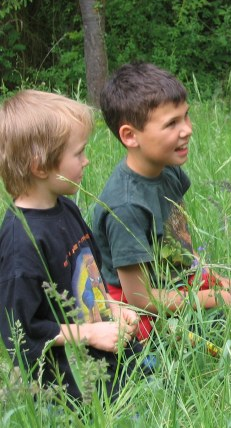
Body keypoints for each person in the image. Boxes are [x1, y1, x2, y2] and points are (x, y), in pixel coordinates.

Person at [0, 90, 140, 399]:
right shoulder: (20, 242)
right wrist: (89, 333)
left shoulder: (65, 206)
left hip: (105, 350)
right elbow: (19, 331)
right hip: (70, 383)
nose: (86, 160)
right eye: (78, 153)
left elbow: (87, 276)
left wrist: (113, 308)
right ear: (40, 167)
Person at [92, 62, 231, 341]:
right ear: (130, 136)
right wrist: (210, 298)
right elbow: (139, 297)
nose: (187, 130)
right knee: (202, 334)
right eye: (172, 123)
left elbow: (179, 239)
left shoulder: (167, 168)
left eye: (186, 117)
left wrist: (212, 279)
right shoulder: (126, 206)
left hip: (173, 279)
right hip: (135, 305)